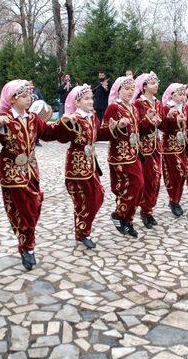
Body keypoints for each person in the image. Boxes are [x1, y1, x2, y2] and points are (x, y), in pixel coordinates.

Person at [0, 79, 63, 271]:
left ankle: (26, 240)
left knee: (34, 207)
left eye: (29, 95)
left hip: (32, 170)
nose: (29, 99)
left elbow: (49, 133)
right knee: (25, 210)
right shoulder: (5, 119)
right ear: (12, 99)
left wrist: (64, 124)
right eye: (24, 96)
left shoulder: (33, 119)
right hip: (12, 171)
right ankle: (28, 247)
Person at [55, 85, 106, 248]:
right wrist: (65, 124)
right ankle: (83, 232)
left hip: (91, 165)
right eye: (86, 98)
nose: (91, 101)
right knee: (83, 200)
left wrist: (115, 128)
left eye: (91, 98)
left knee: (98, 196)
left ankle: (83, 230)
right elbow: (62, 138)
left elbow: (98, 134)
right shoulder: (74, 118)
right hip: (76, 167)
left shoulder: (92, 116)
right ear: (77, 102)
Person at [99, 76, 143, 237]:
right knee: (132, 186)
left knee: (139, 187)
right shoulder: (113, 108)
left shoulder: (133, 108)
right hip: (120, 155)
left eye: (132, 89)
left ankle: (127, 219)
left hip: (134, 153)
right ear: (118, 90)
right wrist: (117, 126)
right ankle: (119, 214)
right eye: (126, 88)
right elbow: (103, 132)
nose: (130, 92)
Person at [131, 72, 163, 229]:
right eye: (152, 83)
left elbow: (163, 124)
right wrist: (148, 121)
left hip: (157, 146)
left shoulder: (158, 103)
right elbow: (136, 127)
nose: (156, 85)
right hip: (144, 148)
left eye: (157, 82)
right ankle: (145, 210)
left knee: (157, 179)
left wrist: (169, 116)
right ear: (144, 87)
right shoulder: (138, 104)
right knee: (149, 179)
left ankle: (149, 209)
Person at [160, 83, 188, 217]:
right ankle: (173, 200)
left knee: (182, 173)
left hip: (181, 145)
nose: (183, 97)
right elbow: (162, 126)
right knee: (174, 174)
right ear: (172, 95)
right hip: (169, 147)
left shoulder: (185, 107)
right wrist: (171, 118)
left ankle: (176, 199)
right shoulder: (166, 108)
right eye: (180, 94)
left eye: (184, 94)